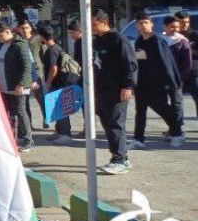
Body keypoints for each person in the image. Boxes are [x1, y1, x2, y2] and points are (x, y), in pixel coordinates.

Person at [84, 9, 138, 175]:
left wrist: (128, 86)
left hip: (117, 90)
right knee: (107, 123)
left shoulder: (118, 40)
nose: (91, 27)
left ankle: (119, 160)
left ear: (104, 22)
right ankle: (122, 157)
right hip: (102, 90)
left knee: (116, 123)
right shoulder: (96, 41)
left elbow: (130, 64)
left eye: (94, 24)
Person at [129, 12, 185, 150]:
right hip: (142, 83)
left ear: (151, 24)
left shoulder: (157, 40)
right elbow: (138, 62)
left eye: (145, 23)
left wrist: (172, 83)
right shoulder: (139, 41)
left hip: (157, 82)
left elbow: (166, 63)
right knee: (140, 111)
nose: (142, 25)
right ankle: (138, 139)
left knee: (163, 109)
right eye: (140, 23)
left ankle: (177, 133)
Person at [0, 22, 34, 152]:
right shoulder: (0, 45)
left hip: (18, 87)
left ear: (8, 32)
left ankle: (28, 141)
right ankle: (12, 138)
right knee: (8, 113)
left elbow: (27, 66)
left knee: (20, 112)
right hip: (3, 86)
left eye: (0, 35)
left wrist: (21, 84)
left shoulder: (20, 45)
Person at [38, 25, 79, 144]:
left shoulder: (51, 50)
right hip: (61, 82)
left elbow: (53, 68)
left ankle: (65, 134)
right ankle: (60, 131)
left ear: (42, 36)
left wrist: (48, 82)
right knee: (58, 109)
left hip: (58, 83)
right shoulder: (57, 47)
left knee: (61, 109)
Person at [17, 20, 49, 129]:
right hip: (24, 74)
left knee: (41, 97)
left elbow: (45, 55)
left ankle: (46, 118)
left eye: (26, 28)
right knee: (24, 101)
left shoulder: (38, 39)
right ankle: (28, 124)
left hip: (38, 72)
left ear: (31, 28)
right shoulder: (19, 41)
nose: (24, 30)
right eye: (22, 28)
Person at [164, 15, 193, 127]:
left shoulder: (182, 41)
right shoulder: (160, 39)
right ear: (165, 27)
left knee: (176, 103)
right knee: (161, 103)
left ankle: (177, 128)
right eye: (171, 27)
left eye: (176, 27)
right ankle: (173, 126)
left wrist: (180, 78)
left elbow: (187, 63)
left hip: (176, 78)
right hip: (162, 78)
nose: (175, 29)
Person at [176, 11, 198, 115]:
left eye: (187, 22)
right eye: (182, 22)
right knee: (176, 101)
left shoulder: (194, 35)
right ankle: (176, 123)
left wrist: (189, 49)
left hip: (193, 72)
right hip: (178, 73)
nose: (185, 25)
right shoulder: (172, 36)